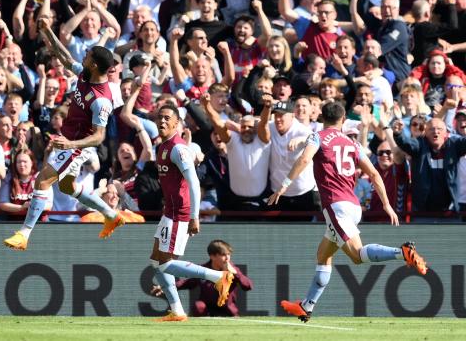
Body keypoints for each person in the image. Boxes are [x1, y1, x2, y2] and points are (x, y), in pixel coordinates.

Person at [268, 101, 428, 322]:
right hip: (352, 205)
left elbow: (305, 159)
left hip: (335, 206)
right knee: (323, 255)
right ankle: (307, 306)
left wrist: (283, 186)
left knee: (357, 256)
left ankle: (402, 253)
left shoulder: (318, 137)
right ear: (343, 120)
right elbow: (373, 174)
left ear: (322, 119)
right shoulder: (353, 144)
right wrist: (387, 204)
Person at [4, 21, 126, 250]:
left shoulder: (101, 101)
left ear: (96, 65)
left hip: (77, 144)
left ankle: (24, 234)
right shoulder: (84, 74)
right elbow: (64, 56)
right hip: (69, 138)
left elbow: (99, 137)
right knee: (68, 186)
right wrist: (48, 30)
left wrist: (71, 144)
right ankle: (111, 215)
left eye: (88, 57)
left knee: (43, 180)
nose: (84, 58)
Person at [148, 102, 235, 322]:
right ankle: (177, 311)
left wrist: (195, 215)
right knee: (157, 262)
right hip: (169, 211)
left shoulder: (177, 148)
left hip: (180, 213)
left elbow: (194, 182)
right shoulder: (163, 147)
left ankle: (218, 276)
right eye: (160, 117)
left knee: (166, 264)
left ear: (177, 123)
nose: (162, 121)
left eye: (168, 118)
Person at [151, 239, 252, 317]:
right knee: (198, 306)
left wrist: (235, 274)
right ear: (212, 256)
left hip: (228, 309)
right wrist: (164, 286)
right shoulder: (203, 270)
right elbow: (187, 283)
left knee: (232, 313)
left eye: (229, 255)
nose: (227, 258)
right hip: (207, 309)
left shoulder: (233, 270)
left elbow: (248, 286)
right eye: (223, 255)